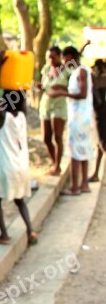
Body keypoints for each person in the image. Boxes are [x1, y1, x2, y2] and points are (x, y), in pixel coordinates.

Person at [0, 52, 38, 246]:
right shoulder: (22, 117)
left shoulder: (4, 118)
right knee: (20, 201)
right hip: (22, 166)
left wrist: (0, 65)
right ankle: (31, 231)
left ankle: (4, 234)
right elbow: (23, 94)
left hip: (6, 166)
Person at [47, 46, 95, 195]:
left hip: (80, 118)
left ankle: (75, 187)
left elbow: (82, 93)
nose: (64, 62)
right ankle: (84, 184)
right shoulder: (77, 72)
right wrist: (62, 89)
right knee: (82, 150)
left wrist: (62, 92)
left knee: (75, 153)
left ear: (70, 57)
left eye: (65, 59)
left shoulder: (81, 71)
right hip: (80, 117)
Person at [38, 46, 68, 175]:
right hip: (45, 104)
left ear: (59, 57)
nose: (50, 59)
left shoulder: (67, 71)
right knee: (46, 137)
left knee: (58, 136)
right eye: (48, 57)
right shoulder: (46, 69)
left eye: (53, 57)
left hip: (59, 105)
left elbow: (74, 90)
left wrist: (61, 88)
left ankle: (57, 166)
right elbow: (43, 86)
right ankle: (53, 161)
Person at [90, 59, 106, 182]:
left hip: (101, 115)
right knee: (99, 144)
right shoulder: (95, 79)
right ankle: (95, 173)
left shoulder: (98, 80)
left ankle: (95, 173)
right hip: (98, 114)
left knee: (102, 144)